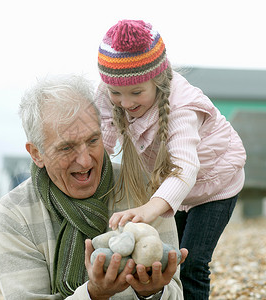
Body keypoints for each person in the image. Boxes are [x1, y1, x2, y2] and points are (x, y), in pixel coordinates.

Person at [0, 74, 188, 299]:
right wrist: (94, 295)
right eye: (66, 148)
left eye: (93, 141)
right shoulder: (13, 216)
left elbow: (175, 293)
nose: (85, 161)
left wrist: (154, 291)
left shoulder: (145, 189)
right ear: (36, 154)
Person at [95, 19, 246, 299]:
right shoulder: (109, 92)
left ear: (158, 80)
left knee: (191, 263)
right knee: (166, 261)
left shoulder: (182, 106)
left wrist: (150, 208)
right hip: (172, 191)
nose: (125, 102)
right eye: (116, 93)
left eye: (136, 92)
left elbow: (185, 167)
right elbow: (102, 138)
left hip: (215, 185)